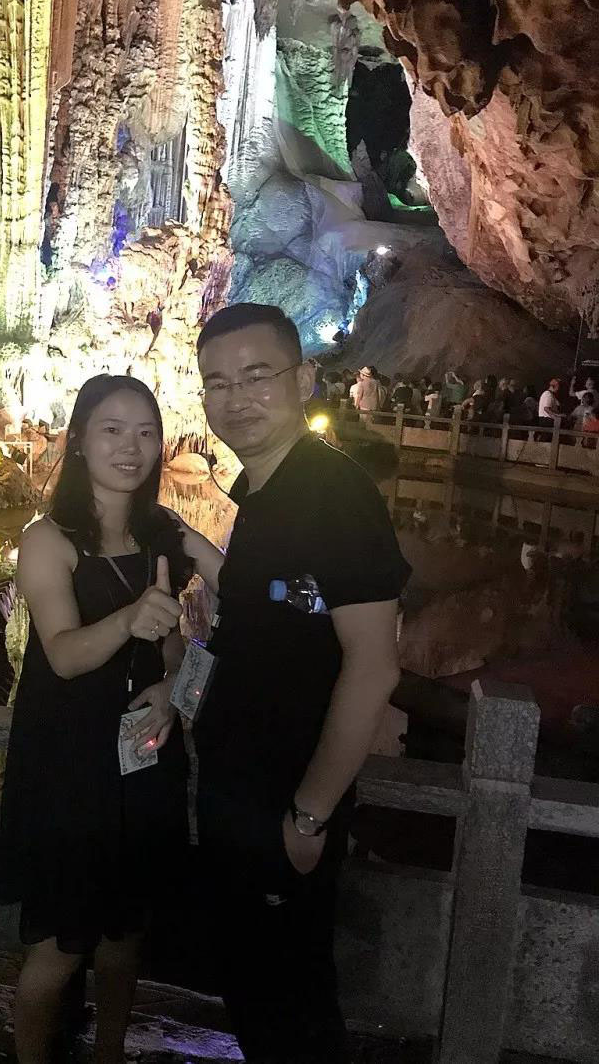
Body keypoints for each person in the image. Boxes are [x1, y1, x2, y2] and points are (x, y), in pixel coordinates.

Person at [192, 303, 411, 1063]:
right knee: (257, 986)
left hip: (283, 796)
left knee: (287, 1001)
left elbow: (374, 664)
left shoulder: (334, 494)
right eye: (218, 383)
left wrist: (308, 817)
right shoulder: (268, 492)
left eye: (258, 376)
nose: (237, 398)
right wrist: (188, 547)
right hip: (243, 784)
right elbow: (276, 601)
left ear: (305, 378)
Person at [0, 376, 196, 1064]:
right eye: (112, 429)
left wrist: (173, 688)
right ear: (78, 440)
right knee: (59, 944)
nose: (131, 446)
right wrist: (130, 618)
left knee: (123, 935)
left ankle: (109, 1052)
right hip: (70, 761)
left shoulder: (161, 535)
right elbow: (63, 654)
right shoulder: (48, 540)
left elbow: (179, 642)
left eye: (145, 431)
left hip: (143, 749)